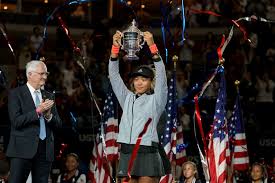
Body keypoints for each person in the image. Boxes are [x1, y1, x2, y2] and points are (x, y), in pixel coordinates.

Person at [109, 31, 168, 183]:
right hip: (126, 151)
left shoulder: (157, 100)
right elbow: (114, 76)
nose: (139, 82)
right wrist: (115, 50)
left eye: (144, 79)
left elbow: (161, 75)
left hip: (147, 151)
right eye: (136, 79)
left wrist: (152, 46)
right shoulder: (126, 98)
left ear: (151, 82)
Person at [6, 60, 62, 183]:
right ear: (30, 74)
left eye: (46, 74)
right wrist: (37, 111)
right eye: (42, 73)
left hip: (45, 151)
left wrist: (48, 116)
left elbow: (58, 124)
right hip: (22, 150)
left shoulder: (49, 96)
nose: (45, 77)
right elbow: (16, 122)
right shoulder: (16, 94)